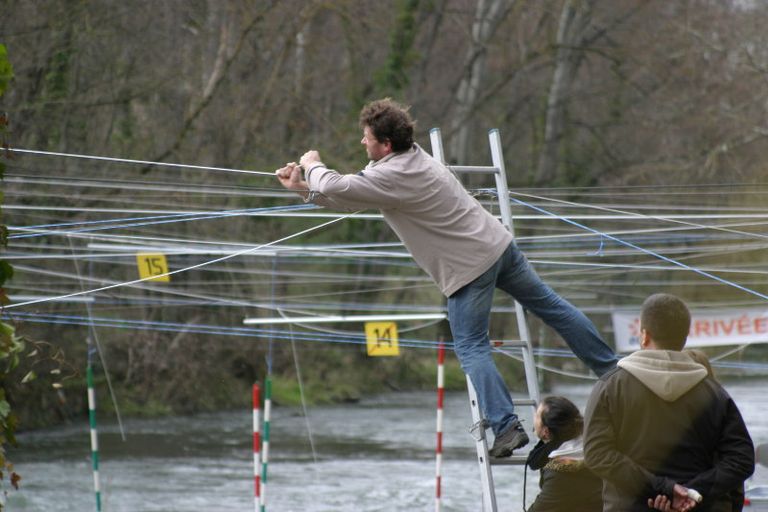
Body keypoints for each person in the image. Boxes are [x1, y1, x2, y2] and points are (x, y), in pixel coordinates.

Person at [275, 98, 618, 457]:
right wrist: (302, 189)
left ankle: (506, 427)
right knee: (552, 307)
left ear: (386, 144)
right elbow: (351, 197)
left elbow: (340, 186)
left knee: (471, 346)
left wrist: (312, 165)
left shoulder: (392, 174)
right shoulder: (411, 158)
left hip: (469, 268)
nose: (362, 143)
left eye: (366, 137)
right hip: (499, 246)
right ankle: (610, 370)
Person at [583, 293, 755, 511]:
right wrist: (692, 492)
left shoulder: (610, 387)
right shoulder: (715, 393)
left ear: (644, 335)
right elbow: (741, 459)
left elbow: (598, 454)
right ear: (685, 338)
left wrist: (661, 488)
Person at [525, 395, 602, 511]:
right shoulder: (597, 449)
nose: (534, 418)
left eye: (536, 416)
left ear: (546, 431)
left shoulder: (561, 470)